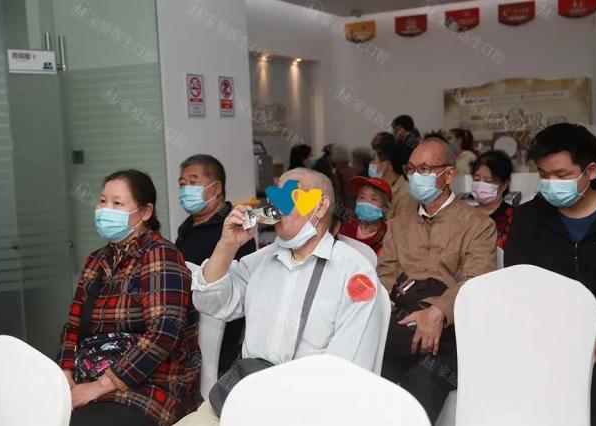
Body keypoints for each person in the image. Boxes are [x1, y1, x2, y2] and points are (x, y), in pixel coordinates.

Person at [174, 168, 388, 426]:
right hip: (244, 394)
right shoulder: (260, 261)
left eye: (292, 195)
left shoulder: (353, 272)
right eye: (277, 196)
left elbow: (347, 370)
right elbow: (210, 302)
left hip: (305, 410)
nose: (279, 204)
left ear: (320, 207)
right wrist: (227, 245)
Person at [504, 123, 596, 426]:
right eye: (544, 175)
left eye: (562, 175)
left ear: (590, 171)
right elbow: (518, 286)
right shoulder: (528, 219)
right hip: (544, 344)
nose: (551, 184)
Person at [57, 170, 201, 426]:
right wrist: (65, 374)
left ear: (145, 212)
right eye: (103, 201)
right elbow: (73, 327)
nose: (105, 210)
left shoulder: (159, 254)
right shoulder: (96, 261)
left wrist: (100, 386)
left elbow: (163, 334)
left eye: (117, 203)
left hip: (152, 385)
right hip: (90, 377)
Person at [377, 138, 497, 423]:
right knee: (372, 378)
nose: (416, 176)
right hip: (402, 324)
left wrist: (437, 312)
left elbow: (476, 280)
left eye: (425, 169)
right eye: (411, 169)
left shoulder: (478, 225)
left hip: (452, 328)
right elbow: (384, 275)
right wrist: (389, 306)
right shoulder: (399, 225)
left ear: (449, 174)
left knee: (423, 381)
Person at [176, 154, 256, 374]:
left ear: (216, 188)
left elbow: (239, 290)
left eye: (193, 182)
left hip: (220, 334)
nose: (185, 189)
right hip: (186, 325)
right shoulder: (186, 228)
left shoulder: (234, 229)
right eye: (182, 184)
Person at [470, 150, 515, 249]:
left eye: (488, 181)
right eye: (476, 179)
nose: (481, 185)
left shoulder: (515, 218)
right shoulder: (466, 216)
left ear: (504, 184)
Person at [339, 176, 392, 255]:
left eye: (373, 199)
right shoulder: (345, 224)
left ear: (385, 207)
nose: (366, 203)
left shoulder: (387, 234)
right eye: (362, 197)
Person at [369, 135, 411, 220]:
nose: (371, 163)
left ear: (386, 165)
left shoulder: (405, 194)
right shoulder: (376, 188)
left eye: (374, 159)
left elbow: (399, 225)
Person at [330, 144, 358, 211]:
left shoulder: (339, 173)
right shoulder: (353, 171)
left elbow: (337, 193)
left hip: (344, 207)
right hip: (354, 206)